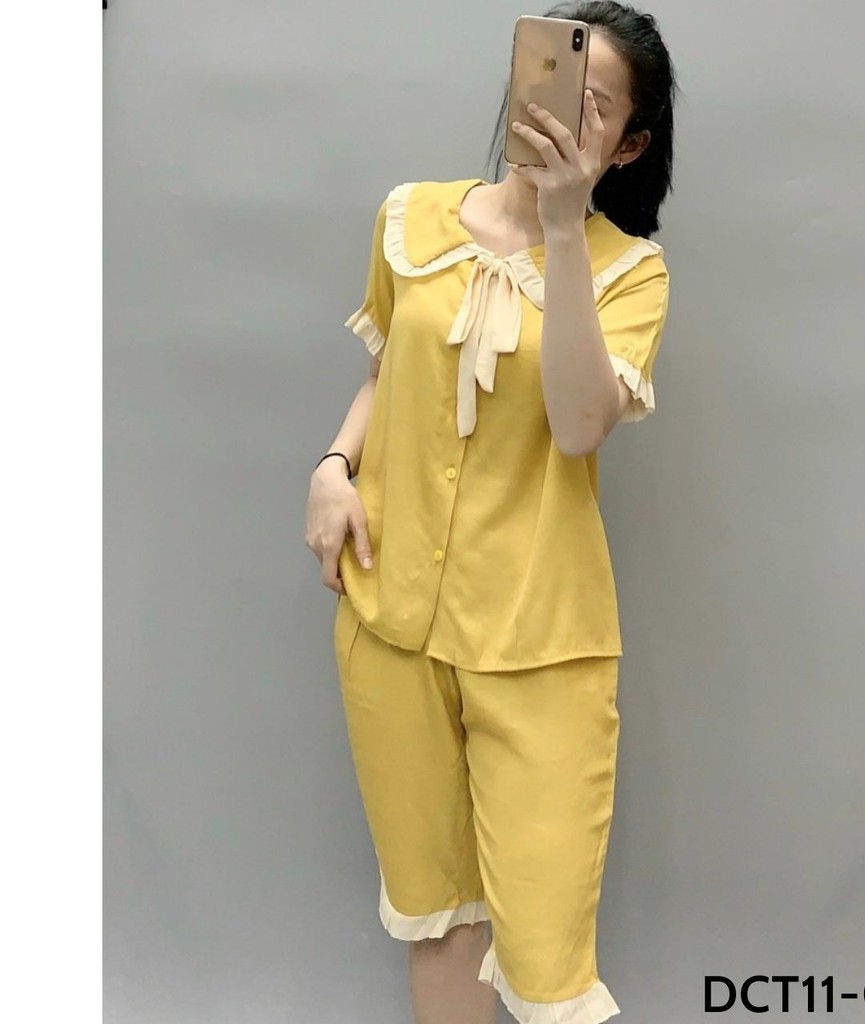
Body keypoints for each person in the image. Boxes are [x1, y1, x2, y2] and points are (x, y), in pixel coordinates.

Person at [305, 3, 676, 1021]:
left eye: (596, 107)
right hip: (389, 623)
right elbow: (389, 369)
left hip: (536, 641)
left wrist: (560, 227)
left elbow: (580, 424)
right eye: (554, 80)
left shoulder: (630, 275)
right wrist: (334, 467)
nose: (562, 112)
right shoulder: (411, 220)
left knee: (548, 961)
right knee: (438, 919)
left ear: (628, 144)